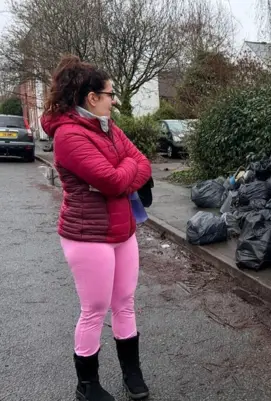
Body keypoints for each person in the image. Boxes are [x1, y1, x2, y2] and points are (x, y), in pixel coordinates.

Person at [41, 56, 152, 401]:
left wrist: (125, 169)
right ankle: (86, 385)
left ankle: (132, 373)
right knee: (94, 309)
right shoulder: (68, 136)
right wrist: (124, 170)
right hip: (88, 236)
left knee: (125, 302)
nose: (114, 100)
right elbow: (111, 180)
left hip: (123, 230)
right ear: (91, 97)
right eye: (110, 94)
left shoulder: (108, 126)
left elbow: (142, 163)